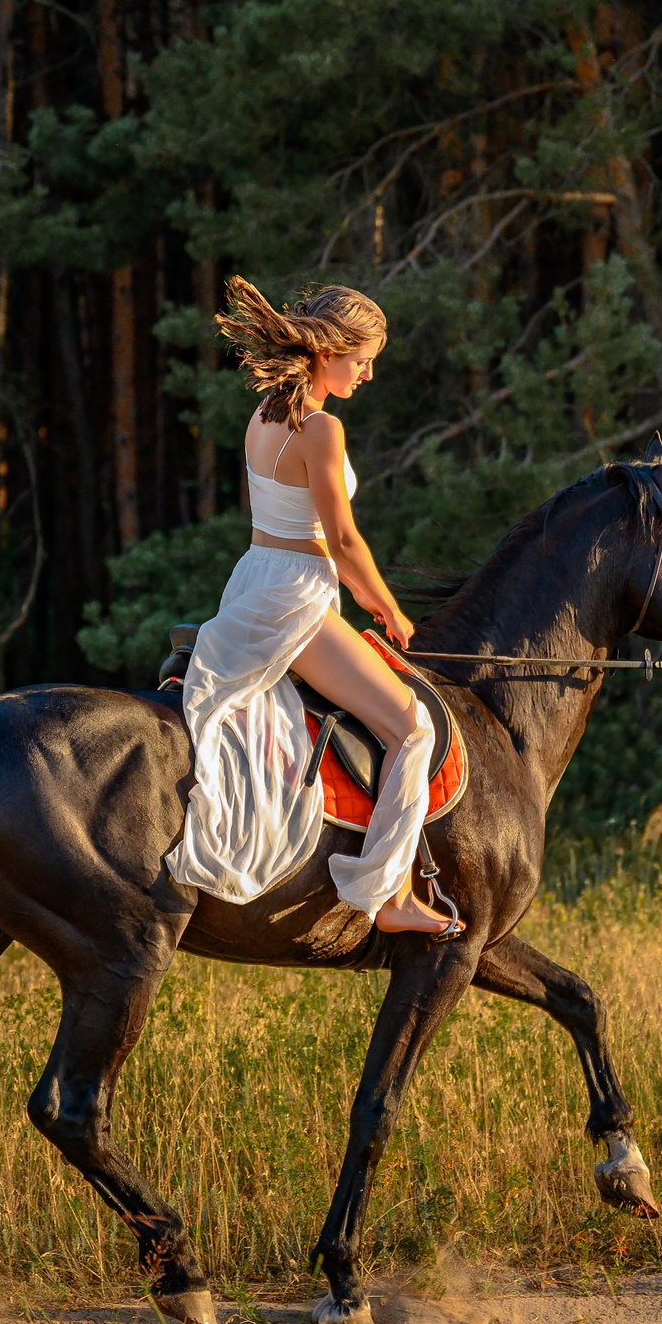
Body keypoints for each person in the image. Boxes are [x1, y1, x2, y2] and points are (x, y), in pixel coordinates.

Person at [164, 276, 462, 938]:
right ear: (328, 352)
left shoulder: (264, 415)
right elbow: (343, 540)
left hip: (255, 578)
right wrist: (390, 610)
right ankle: (388, 893)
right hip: (297, 595)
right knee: (412, 726)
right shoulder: (321, 428)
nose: (368, 373)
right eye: (362, 360)